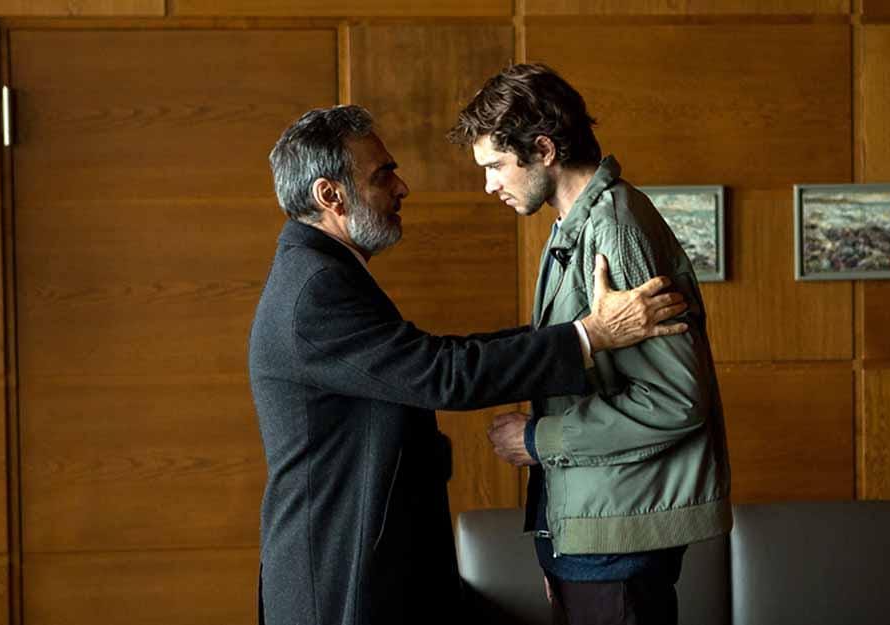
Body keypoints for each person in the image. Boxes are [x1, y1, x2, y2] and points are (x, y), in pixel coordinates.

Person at [248, 104, 691, 625]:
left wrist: (575, 329)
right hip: (336, 574)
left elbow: (431, 358)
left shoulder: (320, 272)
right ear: (330, 195)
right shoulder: (315, 288)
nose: (401, 187)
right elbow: (442, 375)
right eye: (383, 174)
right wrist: (590, 335)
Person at [449, 64, 732, 625]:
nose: (489, 185)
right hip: (591, 533)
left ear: (544, 149)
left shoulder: (614, 230)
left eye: (496, 166)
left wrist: (538, 438)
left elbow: (676, 399)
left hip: (615, 543)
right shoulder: (574, 225)